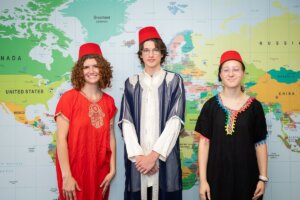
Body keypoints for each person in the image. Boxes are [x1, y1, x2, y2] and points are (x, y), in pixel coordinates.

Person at [118, 26, 186, 200]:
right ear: (140, 55)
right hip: (137, 164)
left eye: (155, 49)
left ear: (162, 53)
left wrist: (154, 157)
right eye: (146, 50)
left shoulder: (173, 81)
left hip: (164, 162)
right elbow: (126, 122)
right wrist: (141, 158)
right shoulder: (131, 83)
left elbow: (175, 121)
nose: (151, 54)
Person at [195, 50, 268, 200]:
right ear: (220, 75)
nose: (231, 74)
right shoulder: (210, 106)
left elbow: (260, 144)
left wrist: (262, 178)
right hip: (216, 180)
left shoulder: (255, 107)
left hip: (248, 180)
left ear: (243, 73)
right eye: (226, 70)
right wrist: (203, 181)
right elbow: (204, 144)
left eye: (236, 69)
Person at [55, 43, 117, 200]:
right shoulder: (69, 99)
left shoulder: (109, 102)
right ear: (80, 71)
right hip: (75, 171)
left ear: (102, 69)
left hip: (101, 172)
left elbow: (110, 136)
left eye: (96, 66)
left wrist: (112, 169)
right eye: (86, 67)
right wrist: (66, 176)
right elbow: (61, 139)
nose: (91, 71)